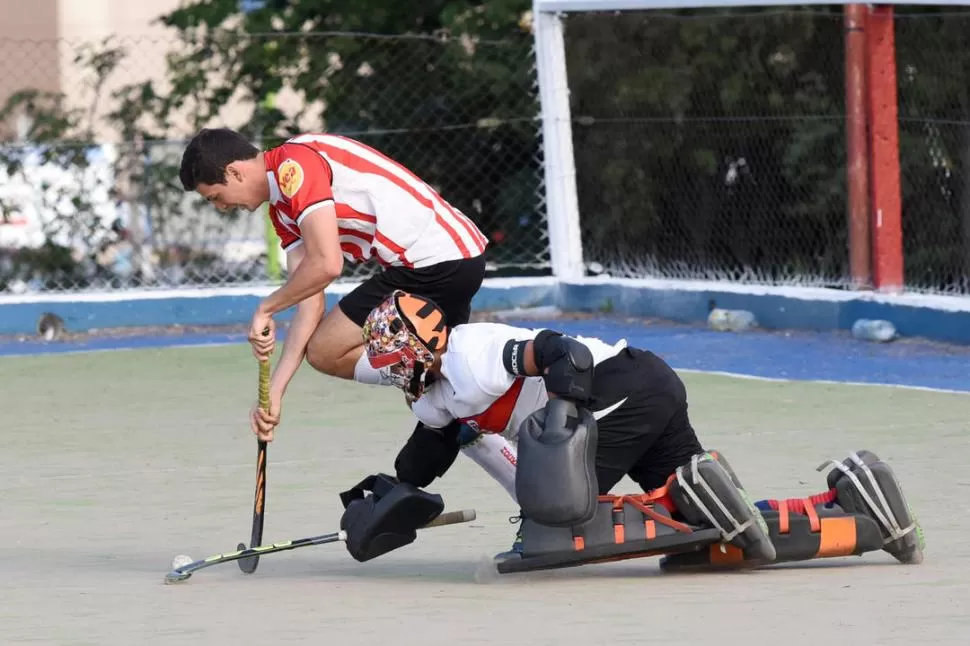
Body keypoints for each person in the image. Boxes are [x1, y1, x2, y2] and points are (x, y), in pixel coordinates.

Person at [351, 290, 924, 569]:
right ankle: (861, 507)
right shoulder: (435, 395)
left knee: (558, 512)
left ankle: (688, 488)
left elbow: (563, 352)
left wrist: (560, 438)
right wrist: (388, 501)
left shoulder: (472, 355)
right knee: (705, 535)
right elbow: (426, 454)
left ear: (420, 344)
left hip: (625, 386)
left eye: (395, 355)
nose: (391, 368)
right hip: (646, 391)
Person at [179, 128, 489, 441]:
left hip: (434, 261)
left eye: (215, 197)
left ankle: (440, 373)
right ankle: (449, 381)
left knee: (329, 350)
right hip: (437, 261)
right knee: (446, 411)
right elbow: (310, 302)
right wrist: (274, 392)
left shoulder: (293, 164)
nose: (221, 207)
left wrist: (266, 308)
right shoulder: (282, 213)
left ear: (234, 172)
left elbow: (327, 264)